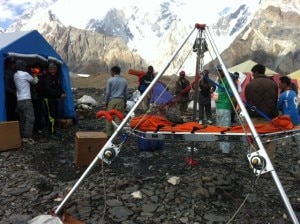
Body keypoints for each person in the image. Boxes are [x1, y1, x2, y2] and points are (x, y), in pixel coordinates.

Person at [245, 63, 279, 162]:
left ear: (256, 72)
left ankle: (257, 165)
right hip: (269, 118)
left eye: (252, 73)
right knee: (269, 141)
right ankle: (268, 166)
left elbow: (248, 101)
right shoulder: (273, 84)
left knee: (255, 140)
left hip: (255, 117)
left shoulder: (250, 85)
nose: (252, 75)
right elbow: (274, 100)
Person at [13, 60, 39, 144]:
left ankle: (22, 136)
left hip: (19, 100)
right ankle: (27, 137)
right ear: (22, 66)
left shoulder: (15, 75)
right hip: (26, 100)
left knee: (23, 119)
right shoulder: (25, 74)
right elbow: (35, 81)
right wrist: (35, 75)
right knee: (31, 118)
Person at [43, 62, 67, 138]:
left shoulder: (55, 78)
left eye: (54, 69)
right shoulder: (47, 78)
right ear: (49, 69)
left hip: (54, 99)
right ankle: (51, 133)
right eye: (51, 69)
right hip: (49, 99)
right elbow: (48, 90)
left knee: (55, 114)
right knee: (51, 116)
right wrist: (59, 94)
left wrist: (63, 92)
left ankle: (54, 131)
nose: (53, 71)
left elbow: (58, 87)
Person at [277, 76, 300, 153]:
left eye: (280, 84)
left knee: (278, 134)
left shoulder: (283, 95)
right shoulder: (294, 92)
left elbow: (278, 106)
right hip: (297, 118)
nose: (279, 85)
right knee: (298, 138)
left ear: (285, 84)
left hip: (288, 119)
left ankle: (282, 147)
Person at [105, 66, 128, 137]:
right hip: (121, 101)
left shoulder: (110, 80)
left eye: (111, 72)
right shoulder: (124, 81)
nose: (111, 73)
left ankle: (109, 134)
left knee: (109, 117)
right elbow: (126, 93)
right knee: (118, 117)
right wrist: (125, 102)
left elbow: (107, 93)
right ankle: (116, 135)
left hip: (112, 100)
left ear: (114, 72)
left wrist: (106, 102)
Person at [215, 64, 233, 153]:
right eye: (217, 71)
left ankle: (225, 150)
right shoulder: (219, 81)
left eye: (220, 71)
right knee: (219, 128)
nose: (218, 73)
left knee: (225, 128)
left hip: (225, 107)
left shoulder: (228, 81)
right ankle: (221, 147)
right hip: (218, 106)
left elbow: (232, 93)